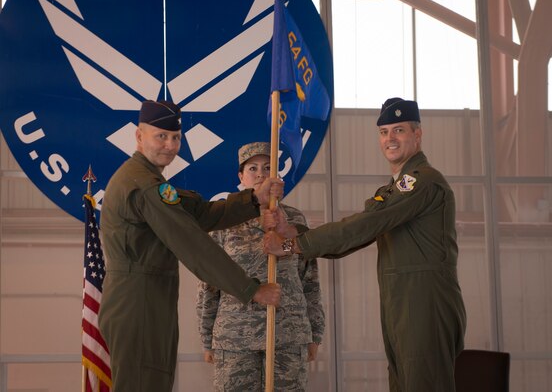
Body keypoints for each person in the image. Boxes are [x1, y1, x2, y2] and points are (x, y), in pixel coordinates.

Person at [264, 98, 467, 392]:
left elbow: (366, 225)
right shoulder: (395, 187)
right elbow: (359, 230)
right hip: (402, 302)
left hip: (425, 302)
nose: (390, 139)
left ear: (417, 134)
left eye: (399, 130)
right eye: (384, 132)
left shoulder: (423, 182)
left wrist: (292, 246)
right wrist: (293, 230)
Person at [98, 100, 284, 392]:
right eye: (161, 136)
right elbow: (192, 243)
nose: (170, 145)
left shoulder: (148, 180)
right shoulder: (144, 185)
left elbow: (199, 213)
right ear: (139, 136)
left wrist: (252, 199)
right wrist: (251, 289)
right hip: (139, 300)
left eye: (175, 137)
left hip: (144, 297)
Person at [196, 141, 325, 391]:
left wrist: (314, 333)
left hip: (287, 335)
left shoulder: (294, 218)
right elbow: (210, 284)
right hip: (235, 338)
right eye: (252, 168)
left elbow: (309, 279)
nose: (260, 174)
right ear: (241, 176)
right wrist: (207, 337)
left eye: (267, 168)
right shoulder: (223, 220)